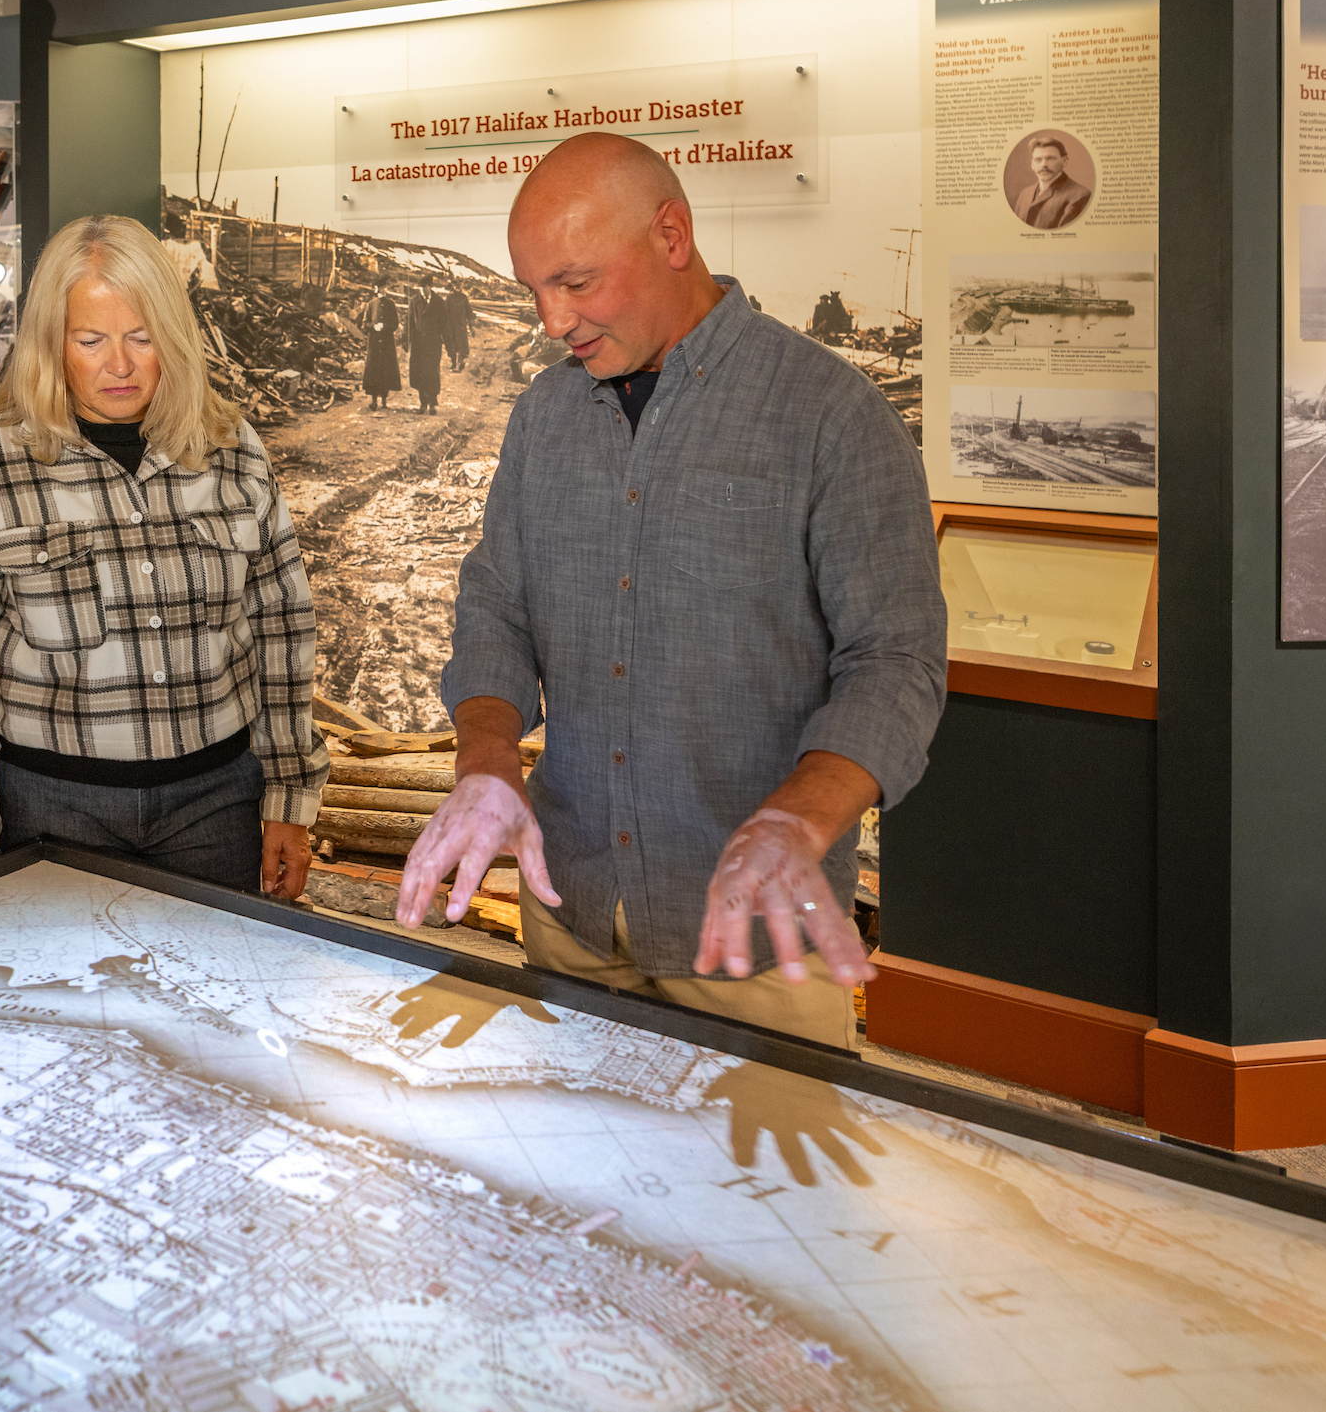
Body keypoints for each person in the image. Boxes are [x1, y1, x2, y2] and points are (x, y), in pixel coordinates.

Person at [398, 132, 945, 1049]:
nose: (552, 321)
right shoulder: (545, 417)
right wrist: (486, 759)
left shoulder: (830, 415)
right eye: (535, 289)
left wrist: (795, 820)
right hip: (568, 921)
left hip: (749, 953)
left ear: (673, 234)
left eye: (576, 282)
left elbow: (895, 661)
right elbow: (495, 605)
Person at [0, 214, 330, 897]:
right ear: (53, 341)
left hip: (216, 807)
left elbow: (283, 625)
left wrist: (289, 792)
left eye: (142, 337)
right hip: (50, 809)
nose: (120, 364)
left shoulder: (232, 450)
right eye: (91, 339)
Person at [1012, 136, 1091, 229]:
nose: (1044, 164)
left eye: (1050, 158)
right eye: (1038, 159)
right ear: (1032, 164)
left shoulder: (1080, 195)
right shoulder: (1025, 194)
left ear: (1065, 161)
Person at [362, 288, 402, 409]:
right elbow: (364, 324)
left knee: (385, 370)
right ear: (376, 290)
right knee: (374, 371)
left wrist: (385, 326)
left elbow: (395, 323)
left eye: (383, 288)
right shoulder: (371, 305)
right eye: (379, 288)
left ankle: (384, 400)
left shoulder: (391, 304)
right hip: (374, 343)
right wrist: (373, 326)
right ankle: (374, 400)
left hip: (387, 343)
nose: (381, 291)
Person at [408, 284, 444, 413]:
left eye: (425, 288)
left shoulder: (439, 302)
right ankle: (423, 404)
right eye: (420, 289)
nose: (422, 291)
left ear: (430, 287)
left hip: (434, 344)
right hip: (419, 343)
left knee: (432, 372)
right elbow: (409, 321)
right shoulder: (414, 301)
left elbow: (445, 324)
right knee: (420, 373)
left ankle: (433, 403)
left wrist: (450, 346)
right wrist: (406, 340)